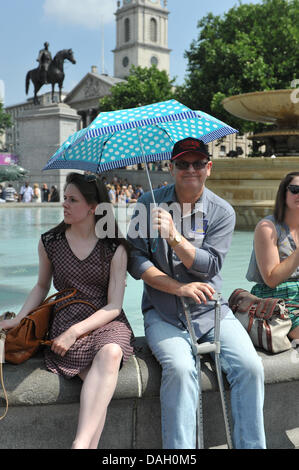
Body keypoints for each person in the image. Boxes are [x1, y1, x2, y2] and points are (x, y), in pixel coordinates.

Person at [127, 137, 266, 449]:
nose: (190, 169)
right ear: (171, 167)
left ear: (209, 168)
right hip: (163, 312)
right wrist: (178, 287)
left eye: (198, 163)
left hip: (211, 311)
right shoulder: (147, 203)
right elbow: (135, 261)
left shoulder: (223, 211)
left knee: (251, 367)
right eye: (182, 164)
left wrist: (174, 236)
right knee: (178, 369)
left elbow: (210, 266)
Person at [0, 172, 135, 449]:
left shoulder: (115, 248)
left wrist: (74, 333)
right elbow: (40, 287)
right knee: (101, 387)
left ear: (93, 207)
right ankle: (87, 446)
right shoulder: (50, 242)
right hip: (66, 318)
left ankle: (79, 445)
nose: (64, 204)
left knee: (109, 352)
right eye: (64, 198)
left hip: (106, 321)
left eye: (72, 200)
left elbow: (114, 305)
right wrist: (20, 320)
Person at [246, 171, 299, 340]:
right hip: (277, 300)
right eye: (295, 189)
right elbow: (271, 279)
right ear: (284, 193)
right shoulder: (267, 227)